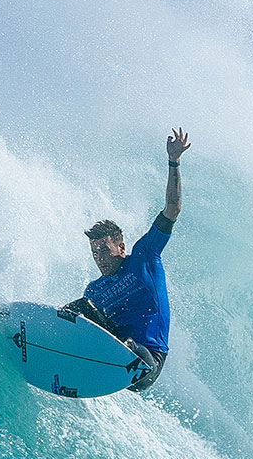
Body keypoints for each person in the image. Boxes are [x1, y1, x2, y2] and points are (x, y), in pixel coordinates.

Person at [63, 127, 190, 392]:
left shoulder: (145, 257)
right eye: (94, 252)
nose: (99, 258)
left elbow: (172, 208)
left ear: (121, 247)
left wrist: (173, 162)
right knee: (80, 309)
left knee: (124, 342)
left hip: (147, 362)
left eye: (104, 250)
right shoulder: (94, 290)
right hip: (110, 356)